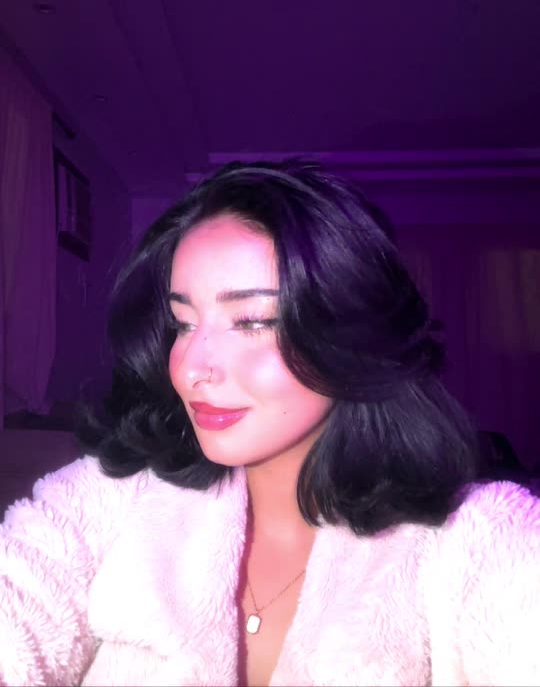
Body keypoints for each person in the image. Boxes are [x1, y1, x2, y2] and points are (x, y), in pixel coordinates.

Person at [1, 160, 539, 687]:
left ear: (350, 333)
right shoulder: (108, 500)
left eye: (252, 321)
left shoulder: (476, 541)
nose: (190, 368)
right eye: (182, 323)